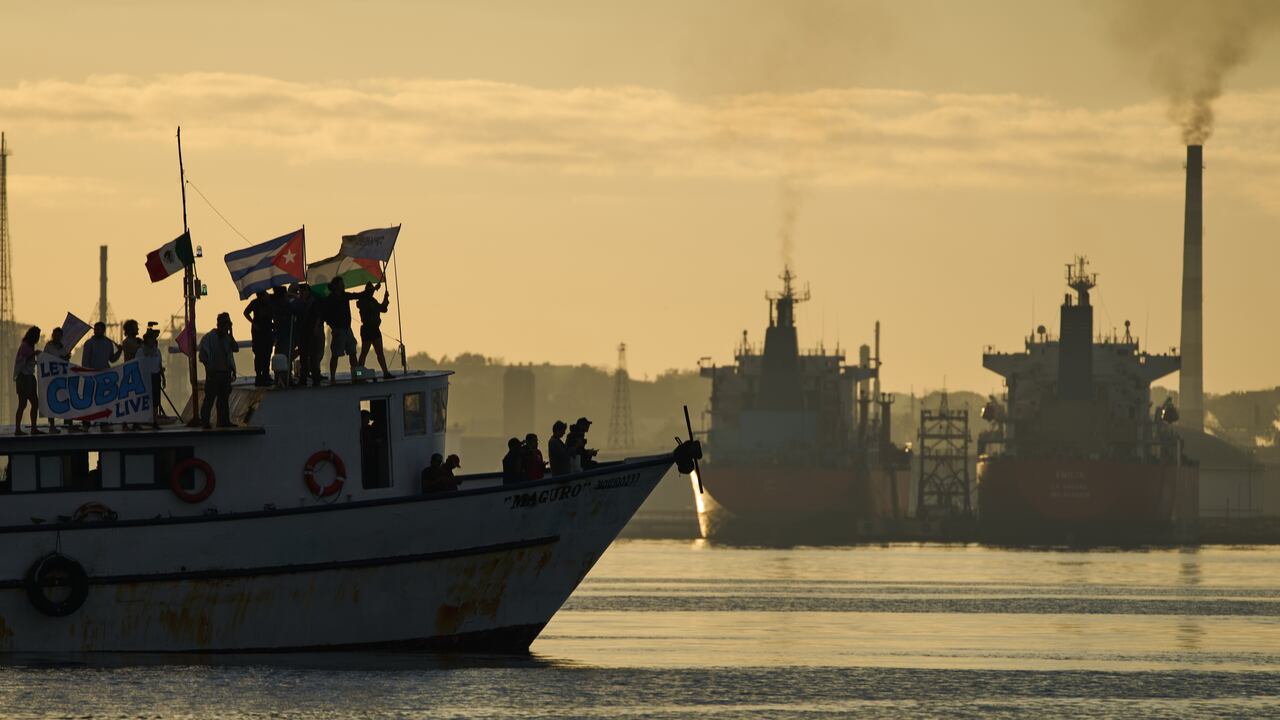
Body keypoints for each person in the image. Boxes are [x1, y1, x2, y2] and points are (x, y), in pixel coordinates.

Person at [198, 312, 239, 429]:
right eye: (226, 325)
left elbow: (235, 348)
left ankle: (224, 421)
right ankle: (205, 422)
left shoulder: (227, 339)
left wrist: (231, 334)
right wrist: (208, 370)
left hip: (225, 374)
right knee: (209, 399)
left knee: (223, 400)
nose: (227, 327)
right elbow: (202, 356)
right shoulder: (209, 338)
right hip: (213, 374)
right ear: (220, 324)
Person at [322, 277, 360, 383]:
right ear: (336, 286)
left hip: (348, 329)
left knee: (353, 353)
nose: (343, 285)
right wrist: (334, 326)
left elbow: (357, 295)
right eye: (341, 283)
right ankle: (333, 378)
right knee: (335, 355)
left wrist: (369, 292)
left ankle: (356, 376)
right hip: (339, 330)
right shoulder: (330, 299)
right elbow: (325, 315)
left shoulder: (344, 296)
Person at [356, 283, 393, 380]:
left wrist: (385, 299)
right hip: (368, 329)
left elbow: (383, 309)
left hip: (374, 329)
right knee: (364, 353)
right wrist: (374, 289)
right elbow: (377, 307)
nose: (371, 292)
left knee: (379, 353)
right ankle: (359, 375)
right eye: (369, 291)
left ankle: (385, 373)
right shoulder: (363, 301)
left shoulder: (372, 301)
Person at [42, 327, 72, 434]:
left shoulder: (63, 347)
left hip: (62, 378)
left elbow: (65, 361)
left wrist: (66, 357)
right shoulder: (48, 346)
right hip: (50, 379)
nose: (56, 337)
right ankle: (52, 425)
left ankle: (68, 423)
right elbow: (45, 359)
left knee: (65, 399)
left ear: (61, 337)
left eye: (59, 335)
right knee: (52, 401)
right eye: (55, 335)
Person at [13, 326, 41, 435]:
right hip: (24, 378)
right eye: (37, 335)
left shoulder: (30, 345)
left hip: (29, 377)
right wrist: (34, 354)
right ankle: (18, 429)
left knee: (34, 403)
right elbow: (23, 360)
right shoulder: (25, 346)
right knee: (23, 404)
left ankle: (33, 428)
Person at [294, 284, 324, 386]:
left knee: (313, 357)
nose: (301, 293)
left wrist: (315, 328)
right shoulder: (299, 303)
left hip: (311, 333)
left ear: (308, 291)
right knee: (303, 357)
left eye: (303, 291)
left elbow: (318, 317)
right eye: (300, 292)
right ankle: (303, 379)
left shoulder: (313, 302)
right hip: (302, 333)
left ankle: (316, 378)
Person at [244, 290, 274, 387]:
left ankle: (265, 375)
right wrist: (253, 322)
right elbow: (246, 312)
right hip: (258, 332)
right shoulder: (255, 303)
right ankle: (259, 376)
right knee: (259, 354)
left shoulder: (269, 302)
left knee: (267, 353)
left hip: (267, 331)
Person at [139, 325, 165, 430]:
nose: (153, 341)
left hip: (155, 377)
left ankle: (154, 421)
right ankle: (140, 421)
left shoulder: (157, 351)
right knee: (144, 400)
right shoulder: (141, 351)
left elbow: (159, 364)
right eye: (151, 339)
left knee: (155, 401)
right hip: (145, 378)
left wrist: (163, 377)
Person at [270, 285, 295, 387]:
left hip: (279, 335)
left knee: (280, 356)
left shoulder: (274, 304)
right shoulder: (286, 305)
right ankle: (285, 378)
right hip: (285, 334)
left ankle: (279, 378)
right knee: (286, 357)